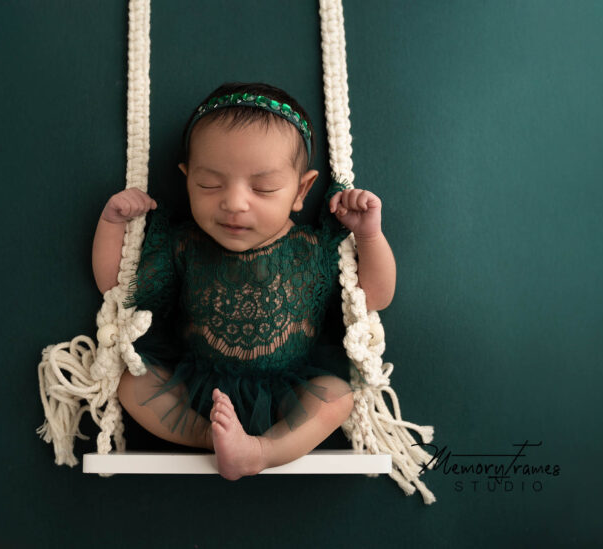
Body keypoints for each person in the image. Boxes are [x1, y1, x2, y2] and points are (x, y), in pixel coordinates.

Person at [92, 82, 396, 480]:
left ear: (301, 189)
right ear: (186, 181)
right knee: (132, 384)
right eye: (209, 184)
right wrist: (112, 224)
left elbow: (375, 297)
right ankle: (214, 438)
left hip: (287, 391)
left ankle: (263, 451)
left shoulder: (311, 248)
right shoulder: (183, 244)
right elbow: (114, 287)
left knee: (337, 396)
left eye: (264, 187)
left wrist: (369, 235)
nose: (234, 203)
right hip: (198, 387)